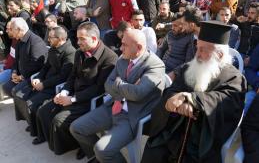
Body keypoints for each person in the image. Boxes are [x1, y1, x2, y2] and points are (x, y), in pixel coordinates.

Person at [141, 21, 247, 163]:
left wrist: (192, 98)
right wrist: (174, 100)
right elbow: (172, 90)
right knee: (153, 150)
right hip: (175, 131)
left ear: (220, 55)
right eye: (197, 48)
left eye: (203, 50)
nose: (197, 54)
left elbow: (225, 100)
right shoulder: (189, 67)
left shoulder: (235, 78)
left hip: (202, 140)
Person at [69, 29, 165, 162]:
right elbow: (108, 85)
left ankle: (104, 157)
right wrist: (125, 88)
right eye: (121, 43)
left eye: (125, 44)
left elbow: (137, 94)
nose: (120, 47)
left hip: (132, 116)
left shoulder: (155, 65)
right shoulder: (123, 58)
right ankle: (100, 158)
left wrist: (119, 83)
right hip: (114, 106)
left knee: (102, 149)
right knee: (76, 128)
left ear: (138, 48)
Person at [34, 22, 117, 156]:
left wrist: (72, 99)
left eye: (82, 39)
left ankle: (80, 145)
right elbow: (72, 77)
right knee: (44, 111)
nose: (78, 42)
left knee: (58, 120)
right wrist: (63, 92)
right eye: (78, 38)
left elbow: (99, 89)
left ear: (94, 39)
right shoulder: (80, 53)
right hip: (73, 94)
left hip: (90, 100)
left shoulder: (110, 58)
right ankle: (70, 142)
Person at [13, 26, 76, 137]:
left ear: (60, 38)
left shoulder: (70, 53)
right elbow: (46, 67)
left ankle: (40, 133)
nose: (48, 40)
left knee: (32, 103)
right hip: (45, 82)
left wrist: (44, 84)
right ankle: (34, 124)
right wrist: (39, 78)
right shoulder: (53, 48)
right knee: (20, 95)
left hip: (55, 87)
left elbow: (63, 77)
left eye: (51, 37)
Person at [3, 17, 48, 98]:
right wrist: (14, 72)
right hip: (21, 75)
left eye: (12, 29)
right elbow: (16, 61)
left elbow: (37, 65)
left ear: (19, 29)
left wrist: (21, 77)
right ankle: (20, 104)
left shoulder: (35, 41)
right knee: (6, 87)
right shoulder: (19, 41)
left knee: (15, 91)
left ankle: (24, 105)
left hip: (32, 77)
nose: (11, 32)